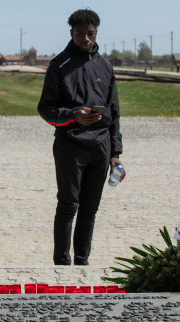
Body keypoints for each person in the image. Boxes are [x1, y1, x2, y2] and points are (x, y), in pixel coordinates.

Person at [37, 9, 125, 266]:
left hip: (101, 147)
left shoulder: (105, 65)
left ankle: (82, 262)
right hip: (70, 146)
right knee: (68, 206)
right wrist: (73, 115)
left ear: (96, 31)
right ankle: (62, 264)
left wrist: (115, 155)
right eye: (79, 34)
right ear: (71, 33)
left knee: (90, 210)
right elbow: (45, 109)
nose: (85, 39)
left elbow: (115, 113)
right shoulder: (59, 65)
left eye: (90, 33)